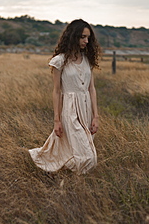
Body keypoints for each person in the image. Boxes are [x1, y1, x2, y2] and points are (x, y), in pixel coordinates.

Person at [29, 19, 100, 175]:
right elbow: (56, 91)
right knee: (87, 157)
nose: (86, 41)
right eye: (82, 37)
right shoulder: (59, 61)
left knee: (76, 148)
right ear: (73, 36)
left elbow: (91, 88)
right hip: (70, 109)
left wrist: (95, 116)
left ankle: (68, 179)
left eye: (88, 38)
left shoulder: (87, 59)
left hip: (86, 109)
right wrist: (57, 120)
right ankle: (52, 167)